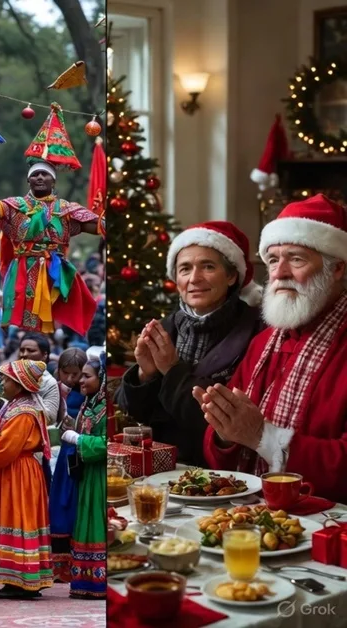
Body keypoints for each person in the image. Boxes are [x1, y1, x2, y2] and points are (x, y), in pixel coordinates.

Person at [196, 195, 347, 503]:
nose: (279, 273)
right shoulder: (265, 342)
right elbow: (219, 447)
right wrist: (225, 428)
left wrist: (262, 437)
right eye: (274, 260)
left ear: (337, 269)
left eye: (297, 259)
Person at [0, 104, 101, 335]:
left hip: (54, 274)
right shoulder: (15, 206)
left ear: (53, 181)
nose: (39, 177)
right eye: (35, 174)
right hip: (22, 273)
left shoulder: (67, 209)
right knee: (24, 329)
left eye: (44, 174)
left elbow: (97, 226)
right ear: (28, 181)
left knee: (52, 329)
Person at [115, 221, 264, 465]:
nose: (194, 278)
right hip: (159, 468)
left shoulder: (256, 332)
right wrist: (145, 375)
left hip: (223, 472)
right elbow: (129, 416)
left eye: (208, 266)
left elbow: (228, 423)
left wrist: (173, 371)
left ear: (231, 276)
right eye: (184, 269)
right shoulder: (163, 328)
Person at [0, 360, 53, 599]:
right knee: (22, 520)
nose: (3, 383)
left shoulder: (23, 412)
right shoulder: (19, 406)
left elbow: (1, 449)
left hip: (17, 471)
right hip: (21, 470)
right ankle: (24, 577)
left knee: (17, 518)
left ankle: (20, 580)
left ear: (18, 385)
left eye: (7, 380)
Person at [49, 357, 107, 599]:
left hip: (100, 476)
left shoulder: (106, 408)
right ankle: (85, 581)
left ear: (102, 379)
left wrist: (77, 439)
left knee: (96, 522)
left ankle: (99, 582)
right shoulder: (89, 404)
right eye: (80, 375)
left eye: (87, 375)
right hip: (85, 474)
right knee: (84, 521)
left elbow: (107, 444)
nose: (80, 380)